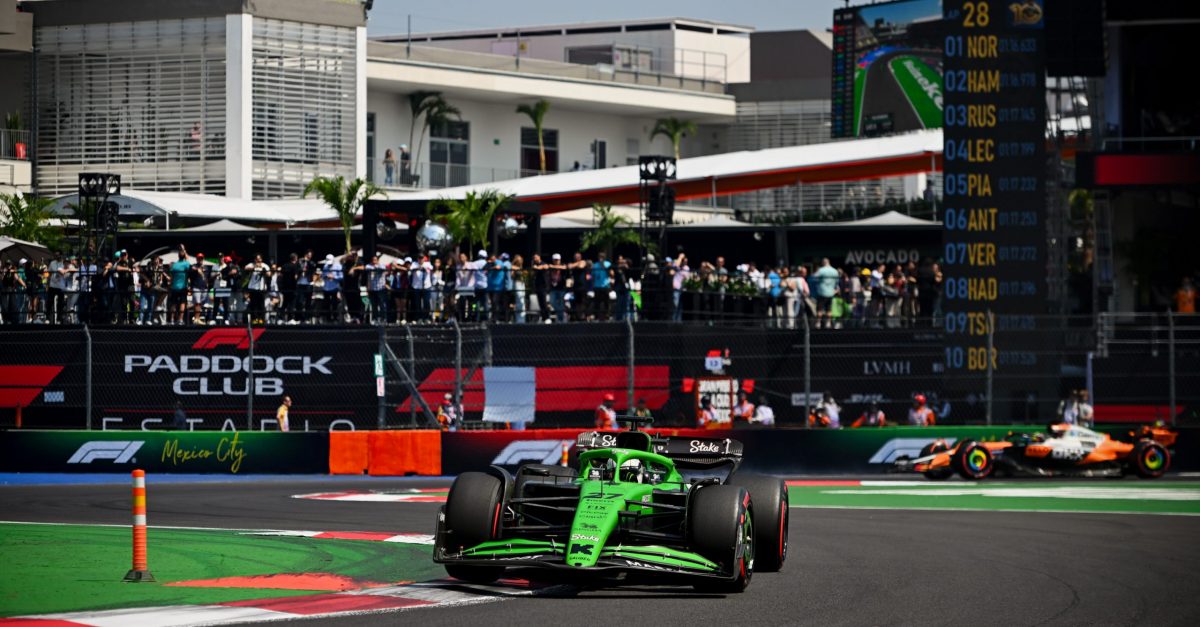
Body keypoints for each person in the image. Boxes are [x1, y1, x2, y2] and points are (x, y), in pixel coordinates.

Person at [813, 258, 839, 329]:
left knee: (819, 309)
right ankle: (828, 323)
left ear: (823, 263)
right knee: (829, 309)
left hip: (822, 292)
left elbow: (814, 278)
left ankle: (818, 323)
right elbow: (837, 282)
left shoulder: (821, 270)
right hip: (831, 293)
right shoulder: (835, 271)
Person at [168, 247, 191, 325]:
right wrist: (184, 250)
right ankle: (180, 320)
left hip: (174, 287)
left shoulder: (174, 265)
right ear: (184, 256)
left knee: (173, 303)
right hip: (182, 287)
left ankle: (171, 320)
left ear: (178, 256)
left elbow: (171, 278)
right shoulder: (186, 264)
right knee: (182, 303)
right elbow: (189, 262)